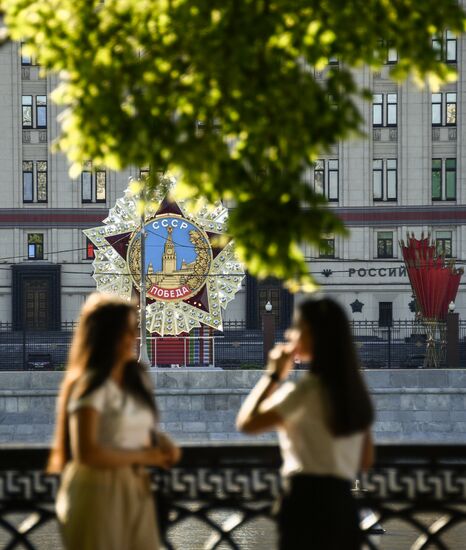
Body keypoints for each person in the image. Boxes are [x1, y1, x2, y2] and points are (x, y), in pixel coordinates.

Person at [236, 297, 374, 550]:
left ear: (311, 335)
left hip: (305, 502)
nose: (289, 333)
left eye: (296, 327)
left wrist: (274, 375)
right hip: (343, 505)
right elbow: (365, 459)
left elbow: (247, 423)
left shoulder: (303, 392)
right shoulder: (353, 391)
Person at [48, 293, 181, 550]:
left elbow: (137, 427)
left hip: (134, 490)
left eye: (134, 329)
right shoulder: (90, 385)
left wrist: (162, 442)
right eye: (125, 330)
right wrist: (146, 458)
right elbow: (87, 453)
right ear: (104, 336)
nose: (132, 338)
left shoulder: (135, 378)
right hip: (96, 494)